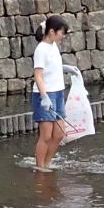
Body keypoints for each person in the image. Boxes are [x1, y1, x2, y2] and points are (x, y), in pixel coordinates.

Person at [31, 15, 72, 171]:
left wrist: (68, 69)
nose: (63, 35)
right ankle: (40, 167)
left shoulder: (53, 45)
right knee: (46, 135)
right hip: (45, 94)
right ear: (52, 32)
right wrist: (44, 96)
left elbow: (52, 67)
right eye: (62, 32)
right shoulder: (41, 49)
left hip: (58, 92)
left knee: (60, 134)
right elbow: (38, 75)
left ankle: (47, 163)